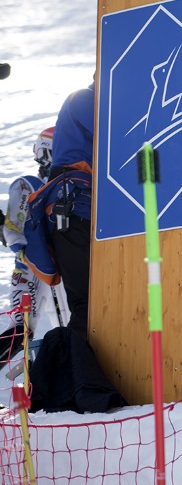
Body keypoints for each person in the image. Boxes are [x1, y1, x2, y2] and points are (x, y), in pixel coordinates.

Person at [25, 84, 94, 339]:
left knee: (92, 303)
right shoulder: (83, 99)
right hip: (74, 212)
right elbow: (117, 133)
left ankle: (82, 368)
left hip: (82, 211)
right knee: (87, 305)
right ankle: (79, 372)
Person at [0, 127, 61, 363]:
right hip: (31, 266)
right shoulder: (28, 184)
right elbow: (13, 231)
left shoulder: (68, 186)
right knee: (21, 331)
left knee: (73, 326)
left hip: (56, 267)